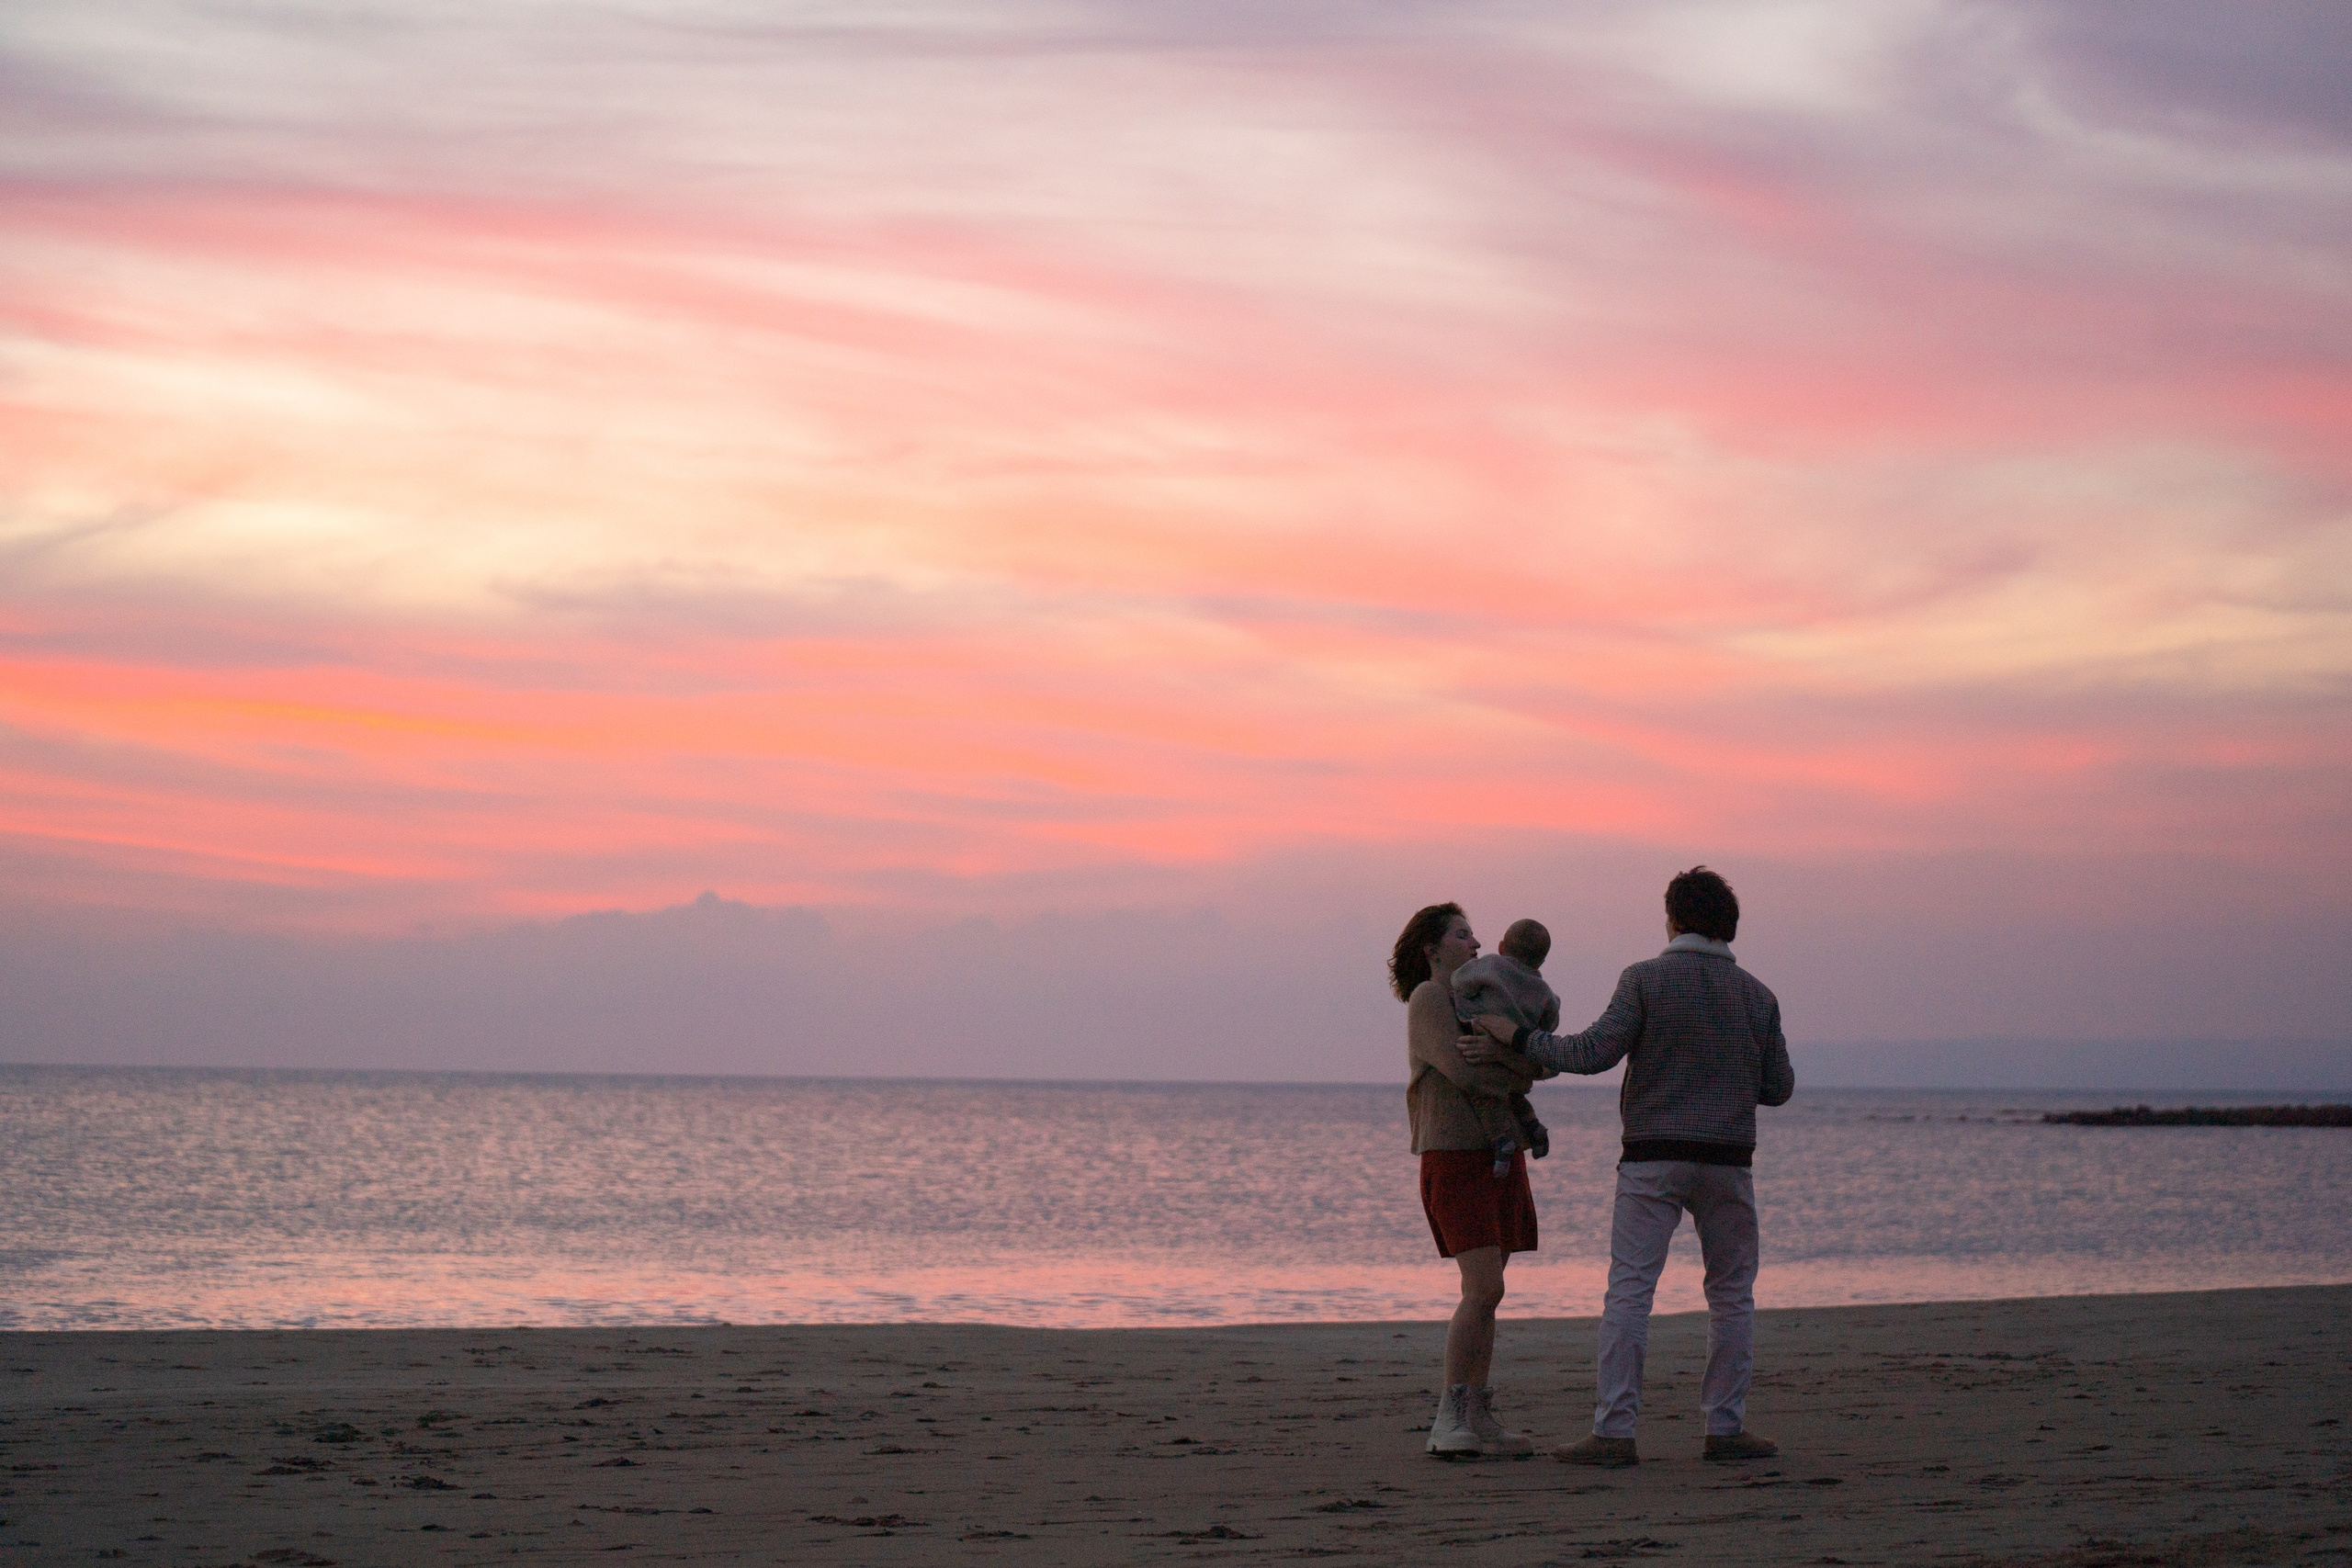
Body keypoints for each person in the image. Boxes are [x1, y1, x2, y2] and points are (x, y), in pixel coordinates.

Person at [1464, 867, 1794, 1467]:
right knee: (1731, 1295)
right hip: (1728, 1160)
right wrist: (1725, 1072)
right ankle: (1726, 1426)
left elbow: (1590, 1053)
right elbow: (1778, 1087)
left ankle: (1615, 1431)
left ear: (1672, 917)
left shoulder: (1644, 979)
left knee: (1631, 1291)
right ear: (1729, 924)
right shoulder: (1758, 995)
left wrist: (1515, 1036)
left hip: (1652, 1156)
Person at [1393, 902, 1553, 1459]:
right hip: (1454, 1154)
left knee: (1488, 1294)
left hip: (1499, 1155)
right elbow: (1463, 1071)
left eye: (1474, 935)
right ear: (1432, 949)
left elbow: (1535, 1069)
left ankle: (1478, 1412)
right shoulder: (1429, 998)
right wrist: (1512, 1062)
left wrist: (1514, 1061)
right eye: (1463, 935)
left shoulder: (1488, 1000)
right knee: (1484, 1287)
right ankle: (1449, 1416)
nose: (1476, 944)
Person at [1449, 918, 1561, 1170]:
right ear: (1541, 961)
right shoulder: (1544, 990)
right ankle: (1534, 1127)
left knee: (1486, 1096)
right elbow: (1551, 1022)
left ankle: (1502, 1142)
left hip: (1486, 1034)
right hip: (1517, 1048)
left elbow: (1460, 981)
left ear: (1501, 947)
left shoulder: (1490, 965)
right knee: (1514, 1093)